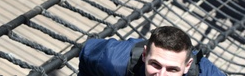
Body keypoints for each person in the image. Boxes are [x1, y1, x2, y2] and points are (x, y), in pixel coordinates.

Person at [78, 26, 226, 76]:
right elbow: (87, 52)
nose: (161, 75)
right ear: (144, 55)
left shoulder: (206, 73)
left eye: (172, 69)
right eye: (155, 64)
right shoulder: (113, 59)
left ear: (187, 66)